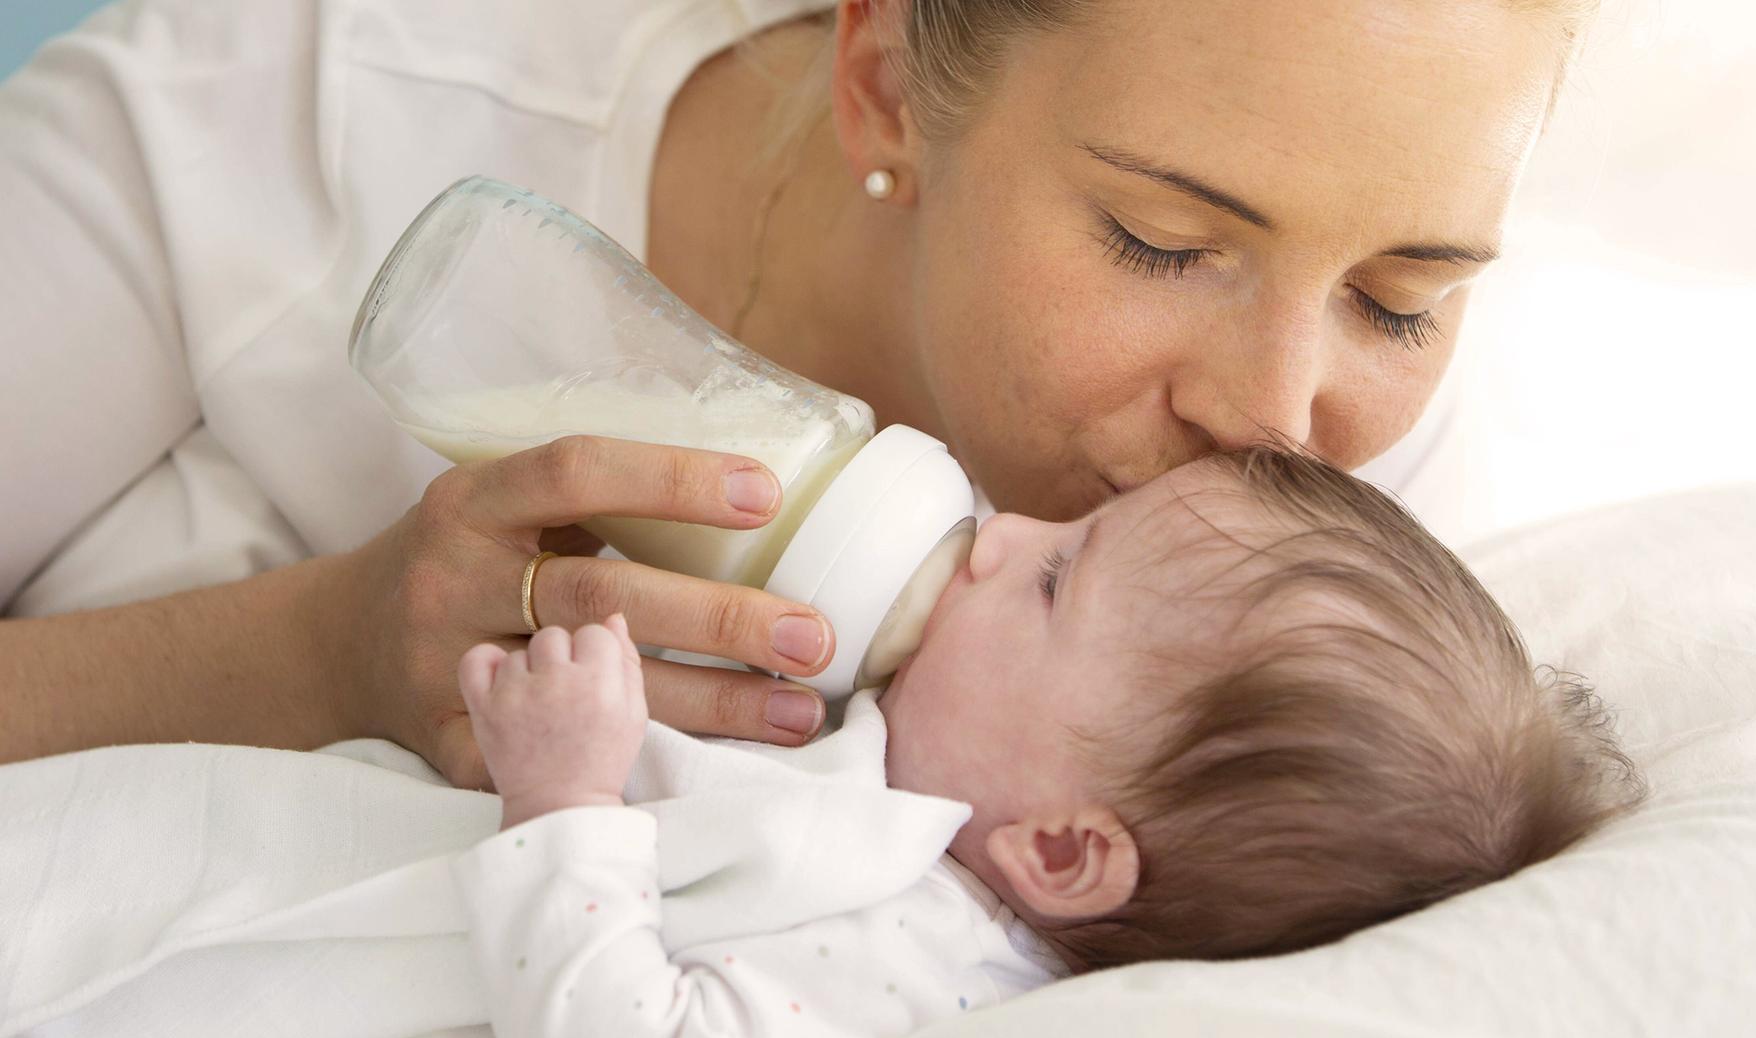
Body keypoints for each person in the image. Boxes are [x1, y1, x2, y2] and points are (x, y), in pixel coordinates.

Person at [0, 0, 1593, 787]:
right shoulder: (261, 130)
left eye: (1406, 298)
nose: (1273, 416)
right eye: (1161, 241)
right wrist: (326, 657)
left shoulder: (1360, 512)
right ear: (884, 78)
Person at [451, 444, 1643, 1038]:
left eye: (1053, 580)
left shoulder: (922, 956)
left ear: (1064, 851)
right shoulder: (909, 765)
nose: (999, 535)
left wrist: (563, 799)